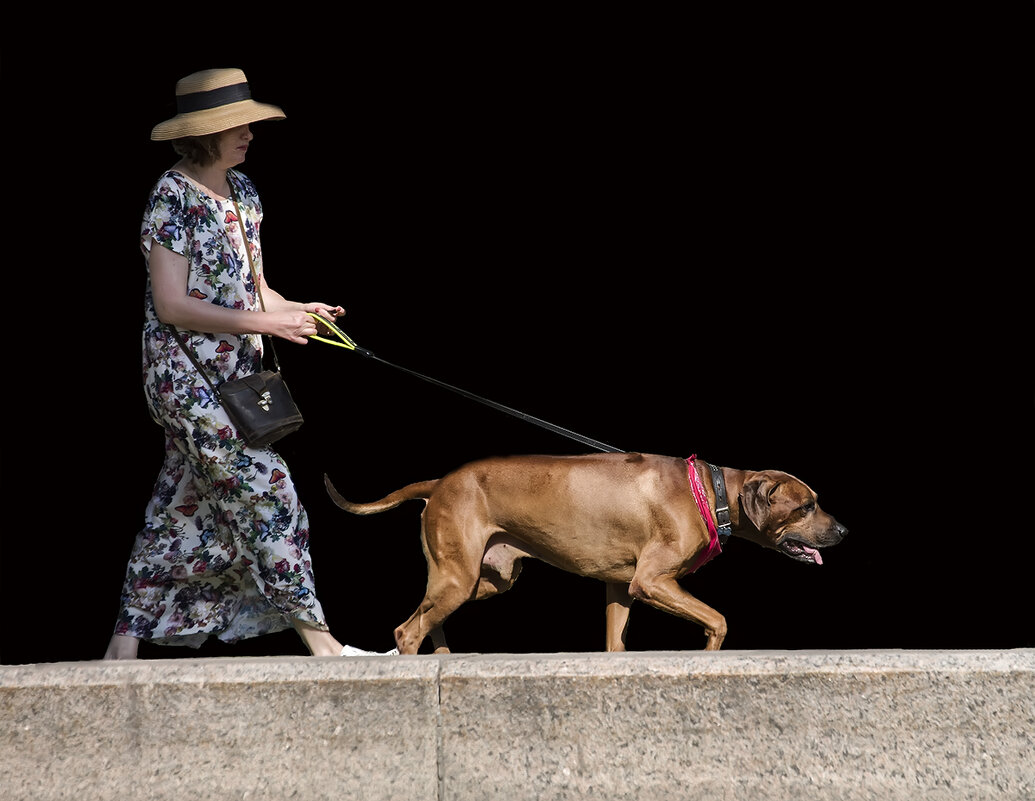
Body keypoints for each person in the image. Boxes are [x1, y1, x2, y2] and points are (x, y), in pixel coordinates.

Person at [104, 68, 395, 659]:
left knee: (180, 507)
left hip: (234, 378)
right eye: (237, 125)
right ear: (203, 132)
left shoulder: (244, 195)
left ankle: (121, 649)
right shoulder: (172, 195)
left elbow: (251, 288)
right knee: (271, 493)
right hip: (186, 382)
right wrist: (270, 324)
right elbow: (172, 304)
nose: (250, 134)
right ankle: (325, 646)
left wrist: (296, 308)